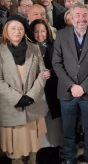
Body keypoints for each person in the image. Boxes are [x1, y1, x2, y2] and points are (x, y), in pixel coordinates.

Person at [0, 16, 49, 164]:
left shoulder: (34, 48)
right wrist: (17, 98)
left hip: (33, 103)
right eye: (13, 28)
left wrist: (31, 96)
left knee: (33, 141)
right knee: (14, 145)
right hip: (11, 105)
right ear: (6, 31)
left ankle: (32, 159)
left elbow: (42, 74)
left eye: (20, 29)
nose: (17, 32)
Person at [52, 3, 88, 164]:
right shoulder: (61, 35)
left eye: (84, 15)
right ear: (71, 17)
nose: (81, 18)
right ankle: (69, 157)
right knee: (68, 128)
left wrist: (83, 87)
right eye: (78, 15)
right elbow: (56, 63)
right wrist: (72, 86)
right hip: (67, 91)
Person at [29, 19, 62, 164]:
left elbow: (62, 65)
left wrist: (51, 72)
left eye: (42, 31)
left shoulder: (55, 46)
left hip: (53, 89)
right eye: (36, 31)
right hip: (36, 90)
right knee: (39, 121)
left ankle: (54, 150)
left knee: (54, 122)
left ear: (47, 32)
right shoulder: (28, 47)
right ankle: (41, 151)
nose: (39, 35)